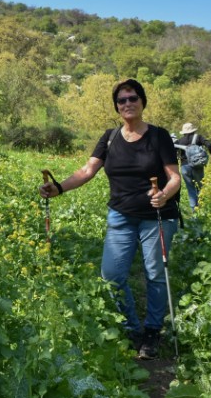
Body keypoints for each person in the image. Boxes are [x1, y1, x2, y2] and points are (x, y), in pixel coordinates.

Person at [39, 78, 181, 360]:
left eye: (133, 98)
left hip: (157, 216)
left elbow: (175, 177)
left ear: (142, 101)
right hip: (121, 216)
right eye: (122, 100)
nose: (127, 104)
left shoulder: (159, 136)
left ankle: (152, 331)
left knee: (155, 274)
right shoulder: (110, 137)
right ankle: (131, 327)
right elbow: (87, 170)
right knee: (112, 275)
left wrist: (164, 194)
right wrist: (59, 188)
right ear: (116, 107)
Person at [174, 122, 211, 211]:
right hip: (197, 166)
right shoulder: (198, 137)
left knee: (190, 189)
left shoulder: (179, 141)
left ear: (183, 132)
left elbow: (171, 151)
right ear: (193, 131)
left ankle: (194, 211)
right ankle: (202, 209)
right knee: (200, 187)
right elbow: (209, 145)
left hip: (185, 167)